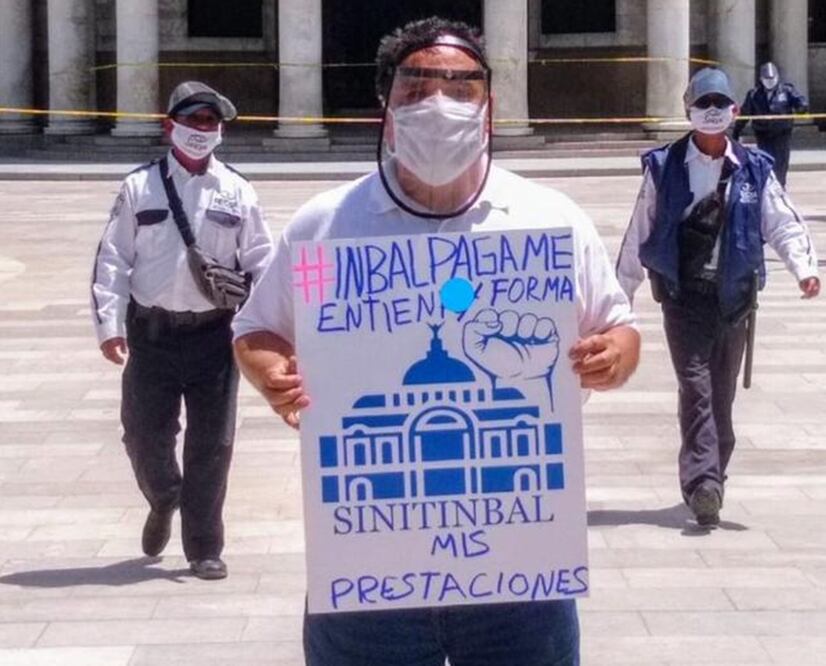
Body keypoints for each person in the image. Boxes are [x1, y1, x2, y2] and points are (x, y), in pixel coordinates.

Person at [233, 17, 640, 666]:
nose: (439, 103)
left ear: (489, 107)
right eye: (416, 89)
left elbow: (618, 324)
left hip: (518, 562)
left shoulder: (549, 218)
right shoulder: (326, 224)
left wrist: (614, 356)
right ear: (387, 108)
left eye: (460, 87)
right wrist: (270, 371)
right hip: (370, 567)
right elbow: (256, 327)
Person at [617, 67, 819, 527]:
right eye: (702, 104)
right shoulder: (664, 166)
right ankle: (702, 483)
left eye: (719, 104)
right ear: (688, 110)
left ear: (735, 110)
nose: (711, 112)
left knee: (721, 396)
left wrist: (804, 269)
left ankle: (712, 478)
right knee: (696, 388)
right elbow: (639, 232)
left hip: (734, 299)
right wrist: (619, 297)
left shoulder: (754, 169)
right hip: (684, 297)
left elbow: (782, 223)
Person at [91, 81, 273, 580]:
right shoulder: (139, 187)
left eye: (210, 122)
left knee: (213, 444)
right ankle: (164, 495)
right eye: (192, 120)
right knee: (144, 435)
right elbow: (113, 258)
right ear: (169, 125)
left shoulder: (237, 190)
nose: (201, 129)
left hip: (214, 335)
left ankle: (204, 547)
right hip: (151, 332)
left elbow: (261, 262)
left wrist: (262, 329)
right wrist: (109, 324)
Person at [732, 61, 809, 187]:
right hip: (763, 134)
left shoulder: (787, 90)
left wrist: (802, 107)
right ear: (761, 79)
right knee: (765, 162)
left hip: (782, 134)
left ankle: (780, 187)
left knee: (781, 163)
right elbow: (745, 114)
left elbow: (800, 101)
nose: (770, 82)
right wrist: (736, 131)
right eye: (767, 79)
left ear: (777, 77)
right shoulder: (753, 95)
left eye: (772, 78)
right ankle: (767, 188)